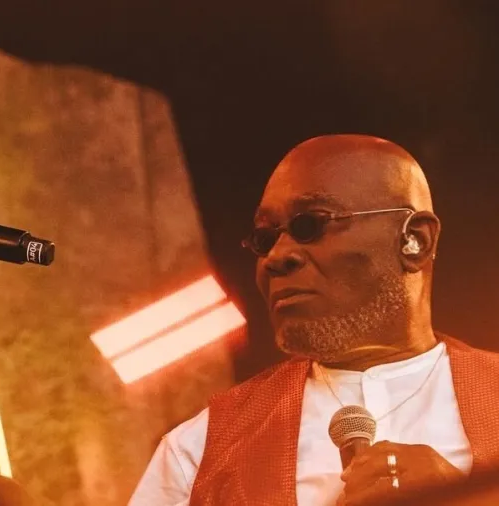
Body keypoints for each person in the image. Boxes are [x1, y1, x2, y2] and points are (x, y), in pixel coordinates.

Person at [129, 134, 499, 506]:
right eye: (264, 238)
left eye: (310, 225)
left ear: (414, 240)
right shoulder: (198, 452)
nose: (275, 257)